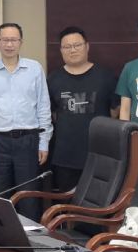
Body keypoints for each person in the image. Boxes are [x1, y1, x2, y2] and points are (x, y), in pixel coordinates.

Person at [0, 23, 52, 218]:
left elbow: (43, 107)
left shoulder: (34, 68)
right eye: (5, 40)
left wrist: (44, 142)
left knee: (29, 196)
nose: (9, 44)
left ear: (21, 42)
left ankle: (31, 235)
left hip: (28, 140)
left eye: (13, 40)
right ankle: (1, 235)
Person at [47, 26, 119, 192]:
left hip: (100, 156)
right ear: (61, 50)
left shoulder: (106, 77)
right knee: (67, 202)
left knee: (100, 201)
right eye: (67, 46)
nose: (72, 50)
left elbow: (115, 112)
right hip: (65, 157)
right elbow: (51, 115)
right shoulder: (52, 79)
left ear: (87, 46)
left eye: (77, 45)